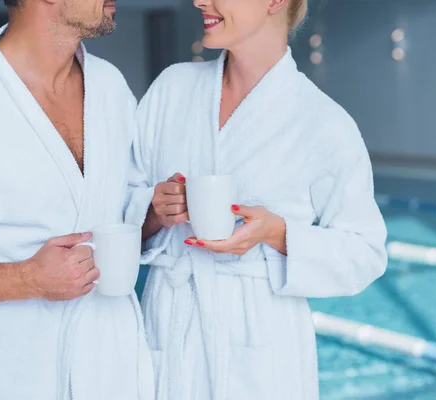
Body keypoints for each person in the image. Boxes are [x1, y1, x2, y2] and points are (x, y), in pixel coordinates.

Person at [127, 0, 388, 398]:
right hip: (168, 326)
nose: (199, 1)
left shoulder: (324, 122)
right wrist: (154, 212)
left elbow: (366, 252)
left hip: (261, 347)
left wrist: (278, 234)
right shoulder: (172, 88)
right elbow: (115, 207)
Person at [0, 0, 152, 399]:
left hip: (115, 372)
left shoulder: (109, 85)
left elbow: (127, 213)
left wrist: (157, 212)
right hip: (11, 380)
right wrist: (28, 279)